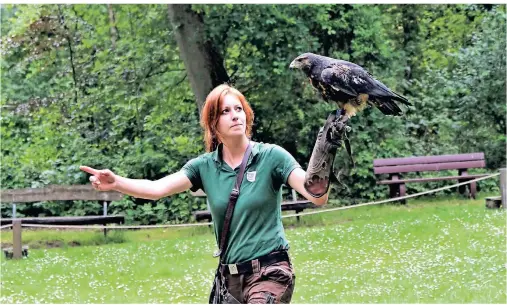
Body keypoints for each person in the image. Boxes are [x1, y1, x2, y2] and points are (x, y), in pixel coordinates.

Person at [80, 84, 348, 304]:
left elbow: (316, 195)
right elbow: (156, 189)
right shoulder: (204, 167)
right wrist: (116, 182)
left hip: (270, 271)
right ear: (212, 123)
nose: (235, 115)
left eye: (239, 109)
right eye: (225, 111)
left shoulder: (271, 157)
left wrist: (323, 152)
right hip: (229, 279)